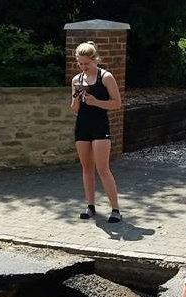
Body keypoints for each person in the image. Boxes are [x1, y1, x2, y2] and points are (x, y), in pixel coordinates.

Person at [70, 41, 123, 223]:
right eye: (80, 64)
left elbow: (117, 103)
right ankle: (90, 206)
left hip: (100, 126)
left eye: (87, 63)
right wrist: (77, 99)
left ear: (95, 60)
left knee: (102, 168)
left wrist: (96, 102)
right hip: (82, 126)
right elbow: (75, 109)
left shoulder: (105, 77)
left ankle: (115, 209)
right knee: (86, 168)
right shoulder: (77, 80)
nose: (84, 67)